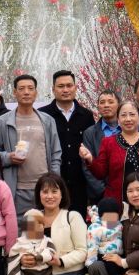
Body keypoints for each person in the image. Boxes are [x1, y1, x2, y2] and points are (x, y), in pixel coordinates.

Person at [0, 74, 62, 221]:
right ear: (15, 92)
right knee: (20, 235)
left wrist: (54, 181)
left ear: (36, 92)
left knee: (44, 233)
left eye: (30, 88)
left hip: (44, 189)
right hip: (17, 190)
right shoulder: (2, 122)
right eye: (21, 89)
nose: (26, 92)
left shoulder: (47, 121)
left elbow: (56, 154)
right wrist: (8, 157)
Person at [81, 100, 139, 203]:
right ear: (118, 119)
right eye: (123, 115)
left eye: (132, 114)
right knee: (109, 219)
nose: (128, 119)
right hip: (115, 204)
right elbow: (101, 173)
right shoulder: (108, 142)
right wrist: (90, 159)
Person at [30, 173, 89, 275]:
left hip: (70, 272)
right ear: (39, 195)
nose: (49, 196)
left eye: (54, 191)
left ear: (62, 194)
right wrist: (27, 258)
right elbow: (27, 246)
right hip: (42, 274)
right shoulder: (33, 217)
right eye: (45, 192)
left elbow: (82, 251)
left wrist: (60, 261)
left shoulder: (73, 216)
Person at [39, 70, 96, 217]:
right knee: (51, 228)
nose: (65, 90)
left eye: (69, 85)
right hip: (52, 185)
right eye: (61, 86)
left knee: (78, 226)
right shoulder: (43, 115)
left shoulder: (86, 116)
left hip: (80, 185)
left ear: (76, 88)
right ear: (53, 89)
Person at [82, 90, 120, 207]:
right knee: (109, 224)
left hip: (128, 192)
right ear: (98, 106)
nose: (106, 105)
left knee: (130, 224)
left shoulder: (129, 129)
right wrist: (104, 192)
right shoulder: (90, 133)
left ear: (119, 105)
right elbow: (87, 166)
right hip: (102, 196)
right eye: (102, 102)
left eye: (110, 102)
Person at [85, 197, 124, 266]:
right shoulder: (96, 227)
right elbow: (92, 244)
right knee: (111, 268)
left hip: (119, 255)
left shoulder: (119, 224)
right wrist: (91, 260)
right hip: (104, 255)